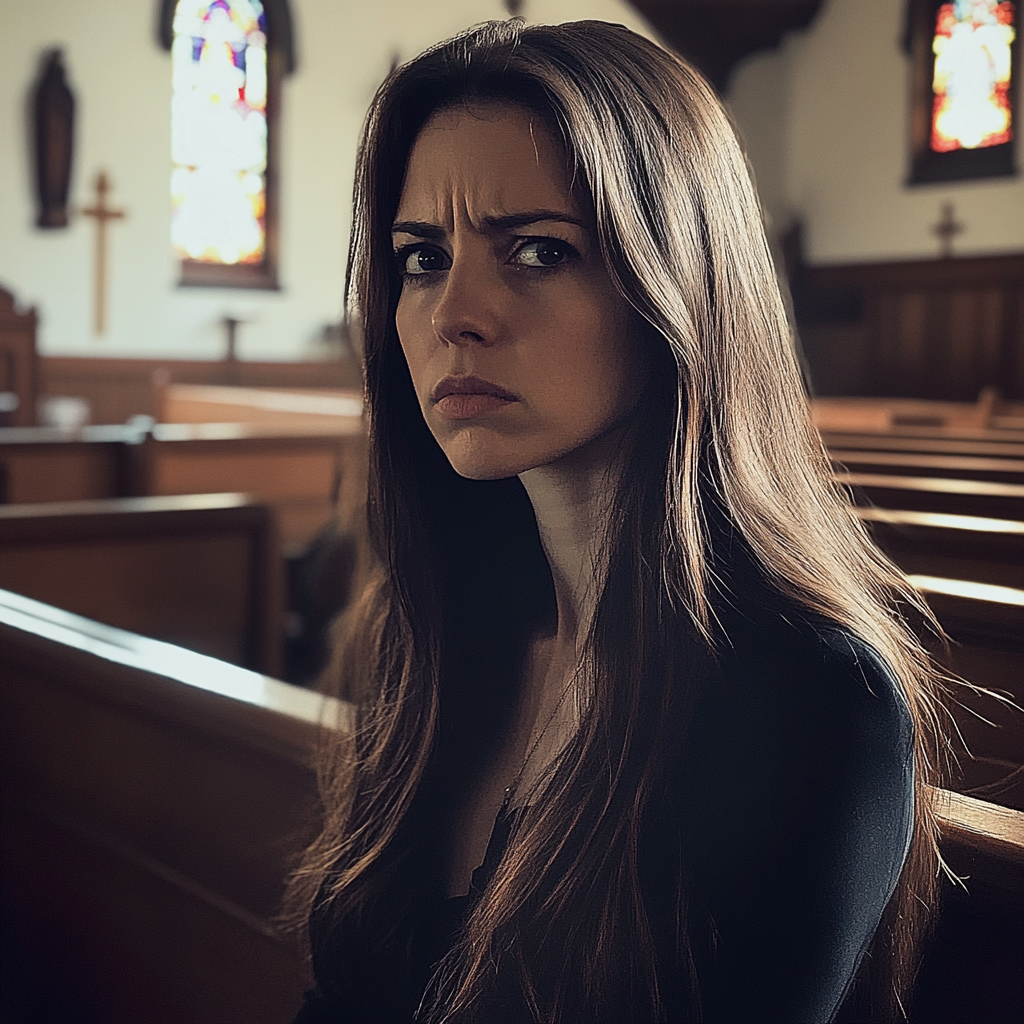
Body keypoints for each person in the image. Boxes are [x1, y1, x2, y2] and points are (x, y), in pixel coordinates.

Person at [287, 19, 944, 1024]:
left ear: (676, 284)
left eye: (538, 251)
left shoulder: (811, 705)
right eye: (420, 258)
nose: (454, 311)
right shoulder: (430, 633)